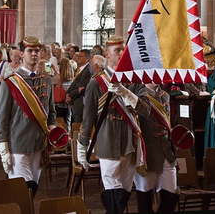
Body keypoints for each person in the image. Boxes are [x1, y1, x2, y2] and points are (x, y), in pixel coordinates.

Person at [77, 35, 146, 214]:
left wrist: (126, 93)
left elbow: (144, 109)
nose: (122, 53)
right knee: (112, 188)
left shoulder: (134, 80)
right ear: (107, 54)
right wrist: (82, 147)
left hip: (130, 141)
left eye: (123, 49)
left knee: (125, 189)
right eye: (117, 50)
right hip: (108, 140)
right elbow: (88, 118)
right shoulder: (96, 82)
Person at [0, 36, 56, 197]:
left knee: (33, 186)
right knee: (23, 189)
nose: (34, 54)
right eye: (30, 51)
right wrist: (3, 147)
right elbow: (2, 118)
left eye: (37, 51)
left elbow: (51, 112)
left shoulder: (46, 80)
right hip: (18, 142)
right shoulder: (10, 83)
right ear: (22, 54)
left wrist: (53, 129)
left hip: (39, 143)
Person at [134, 83, 179, 214]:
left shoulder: (165, 96)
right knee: (145, 198)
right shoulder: (139, 96)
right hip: (148, 152)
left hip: (166, 151)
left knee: (171, 194)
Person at [66, 49, 92, 123]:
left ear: (87, 58)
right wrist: (68, 93)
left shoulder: (88, 70)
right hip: (75, 101)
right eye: (78, 56)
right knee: (74, 126)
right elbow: (75, 83)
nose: (78, 58)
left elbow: (81, 87)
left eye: (81, 56)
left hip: (80, 102)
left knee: (77, 125)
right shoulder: (80, 68)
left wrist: (70, 95)